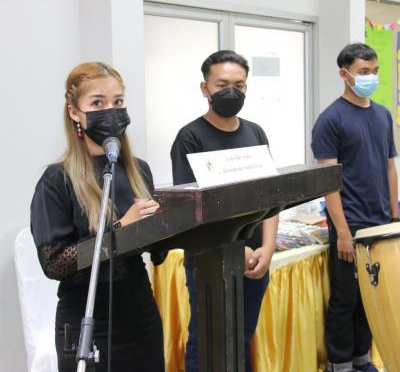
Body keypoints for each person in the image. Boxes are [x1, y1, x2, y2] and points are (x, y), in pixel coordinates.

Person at [30, 62, 165, 372]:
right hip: (86, 323)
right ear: (75, 112)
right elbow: (54, 263)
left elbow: (157, 253)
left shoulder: (139, 170)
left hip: (140, 316)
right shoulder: (57, 181)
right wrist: (120, 229)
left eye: (118, 101)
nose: (111, 111)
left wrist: (164, 228)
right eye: (98, 103)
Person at [170, 50, 279, 372]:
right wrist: (233, 249)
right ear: (205, 88)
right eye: (222, 85)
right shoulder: (190, 138)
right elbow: (191, 210)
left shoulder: (255, 132)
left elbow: (272, 194)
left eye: (239, 85)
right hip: (210, 260)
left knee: (241, 339)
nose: (231, 92)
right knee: (207, 342)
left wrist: (268, 247)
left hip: (254, 261)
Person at [311, 43, 398, 372]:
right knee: (346, 298)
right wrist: (344, 232)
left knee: (372, 295)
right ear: (344, 74)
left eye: (374, 71)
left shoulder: (382, 114)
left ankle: (362, 358)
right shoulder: (331, 120)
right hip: (351, 224)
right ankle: (340, 363)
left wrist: (394, 217)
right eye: (363, 72)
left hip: (381, 222)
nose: (370, 77)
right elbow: (328, 182)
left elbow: (390, 167)